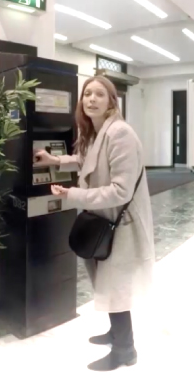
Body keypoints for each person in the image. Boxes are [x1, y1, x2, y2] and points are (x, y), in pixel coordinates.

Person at [34, 74, 155, 371]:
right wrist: (55, 160)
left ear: (112, 101)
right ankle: (115, 333)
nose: (91, 99)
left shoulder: (120, 133)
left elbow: (120, 190)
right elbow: (85, 158)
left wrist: (75, 194)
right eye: (87, 94)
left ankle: (126, 350)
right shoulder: (99, 131)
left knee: (117, 284)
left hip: (122, 222)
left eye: (99, 94)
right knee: (109, 280)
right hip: (106, 219)